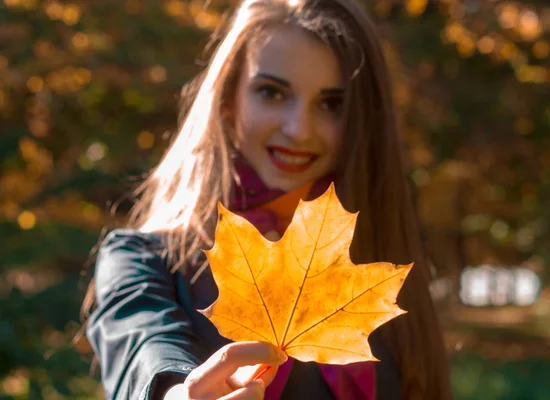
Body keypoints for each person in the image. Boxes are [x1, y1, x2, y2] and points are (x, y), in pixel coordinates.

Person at [83, 0, 452, 399]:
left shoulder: (378, 260)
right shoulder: (143, 262)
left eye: (331, 103)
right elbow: (146, 352)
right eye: (272, 92)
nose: (299, 129)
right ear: (227, 101)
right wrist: (177, 394)